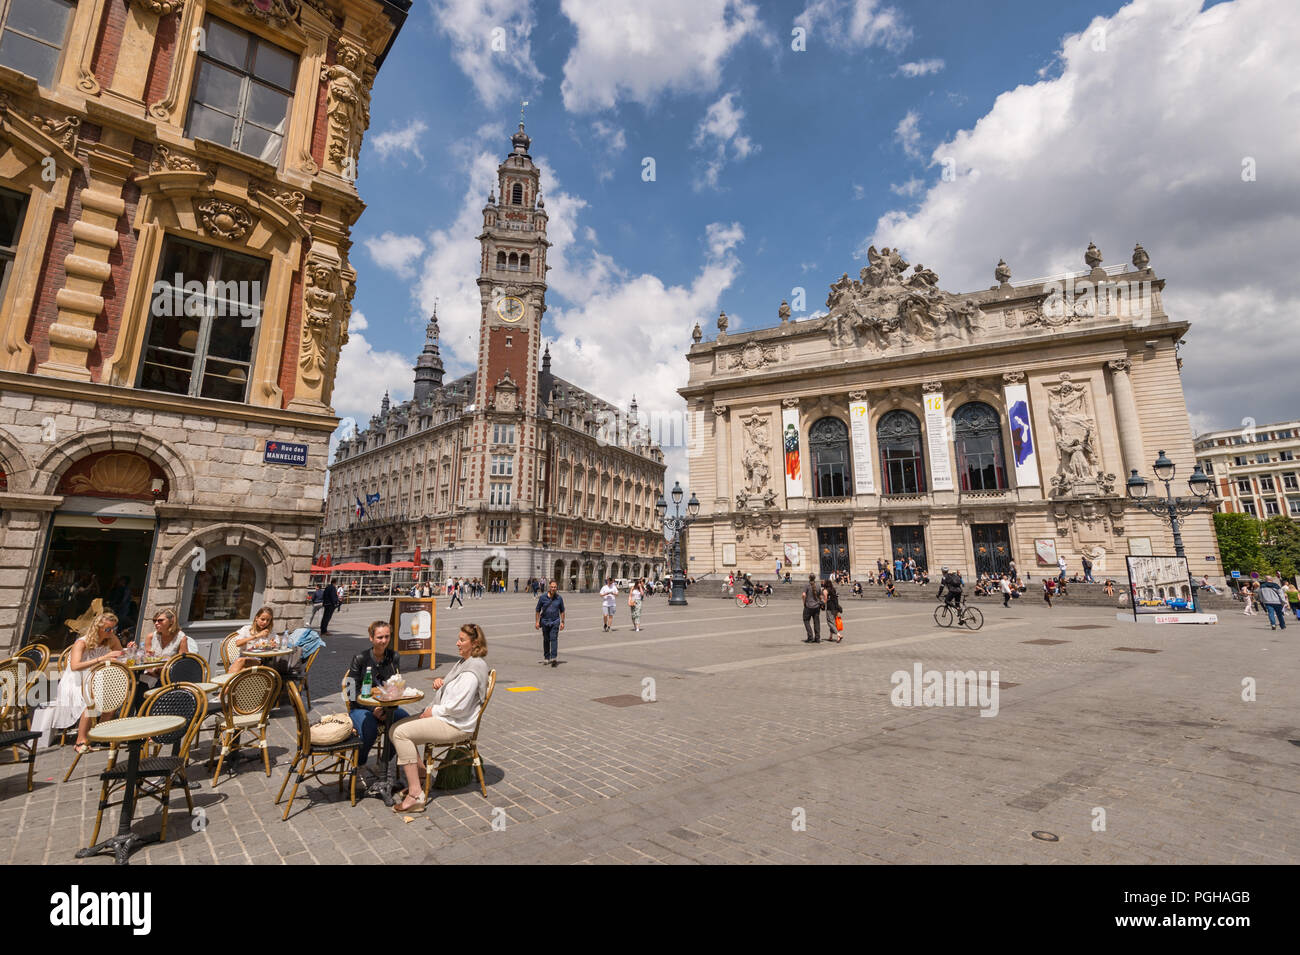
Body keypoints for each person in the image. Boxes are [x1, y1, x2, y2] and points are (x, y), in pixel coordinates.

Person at [389, 623, 490, 814]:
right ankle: (420, 777)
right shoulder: (465, 663)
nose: (457, 643)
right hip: (448, 718)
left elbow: (458, 707)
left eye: (462, 640)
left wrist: (434, 712)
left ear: (474, 643)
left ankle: (416, 795)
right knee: (396, 728)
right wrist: (442, 683)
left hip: (455, 725)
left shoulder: (472, 669)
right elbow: (456, 689)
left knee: (401, 733)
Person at [32, 612, 126, 750]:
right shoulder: (82, 642)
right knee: (91, 698)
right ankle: (80, 740)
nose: (111, 632)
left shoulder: (111, 638)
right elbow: (75, 666)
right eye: (107, 629)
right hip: (76, 680)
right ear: (97, 628)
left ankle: (101, 732)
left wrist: (127, 649)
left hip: (97, 678)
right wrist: (102, 658)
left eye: (114, 629)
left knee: (115, 694)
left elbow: (120, 654)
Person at [347, 621, 409, 768]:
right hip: (361, 707)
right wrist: (373, 710)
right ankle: (359, 764)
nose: (383, 641)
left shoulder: (393, 657)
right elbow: (350, 692)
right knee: (369, 729)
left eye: (387, 637)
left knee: (404, 723)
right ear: (371, 638)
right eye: (380, 637)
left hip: (386, 706)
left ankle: (385, 761)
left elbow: (394, 683)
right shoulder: (360, 658)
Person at [226, 606, 277, 677]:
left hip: (259, 660)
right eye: (262, 619)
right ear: (256, 618)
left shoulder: (271, 633)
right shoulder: (246, 629)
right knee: (242, 670)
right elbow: (238, 643)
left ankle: (224, 686)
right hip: (243, 658)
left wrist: (273, 645)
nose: (265, 622)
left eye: (268, 620)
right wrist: (257, 636)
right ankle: (227, 688)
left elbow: (276, 646)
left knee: (240, 661)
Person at [534, 579, 565, 667]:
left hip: (555, 621)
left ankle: (554, 657)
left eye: (555, 587)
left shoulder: (559, 598)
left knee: (554, 638)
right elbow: (537, 610)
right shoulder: (543, 597)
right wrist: (537, 622)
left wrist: (562, 622)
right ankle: (547, 657)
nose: (553, 588)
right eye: (552, 587)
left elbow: (562, 611)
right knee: (546, 640)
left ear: (556, 588)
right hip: (544, 622)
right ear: (549, 587)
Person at [801, 574, 824, 643]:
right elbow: (820, 596)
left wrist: (804, 602)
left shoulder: (807, 585)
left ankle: (810, 637)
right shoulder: (818, 585)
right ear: (815, 578)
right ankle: (817, 638)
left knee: (806, 620)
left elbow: (803, 595)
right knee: (816, 622)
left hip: (808, 606)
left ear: (809, 578)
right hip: (816, 607)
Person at [822, 578, 843, 643]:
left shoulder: (825, 590)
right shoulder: (833, 589)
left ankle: (838, 635)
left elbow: (825, 600)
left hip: (830, 608)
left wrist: (822, 604)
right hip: (836, 607)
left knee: (830, 622)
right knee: (833, 622)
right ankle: (830, 636)